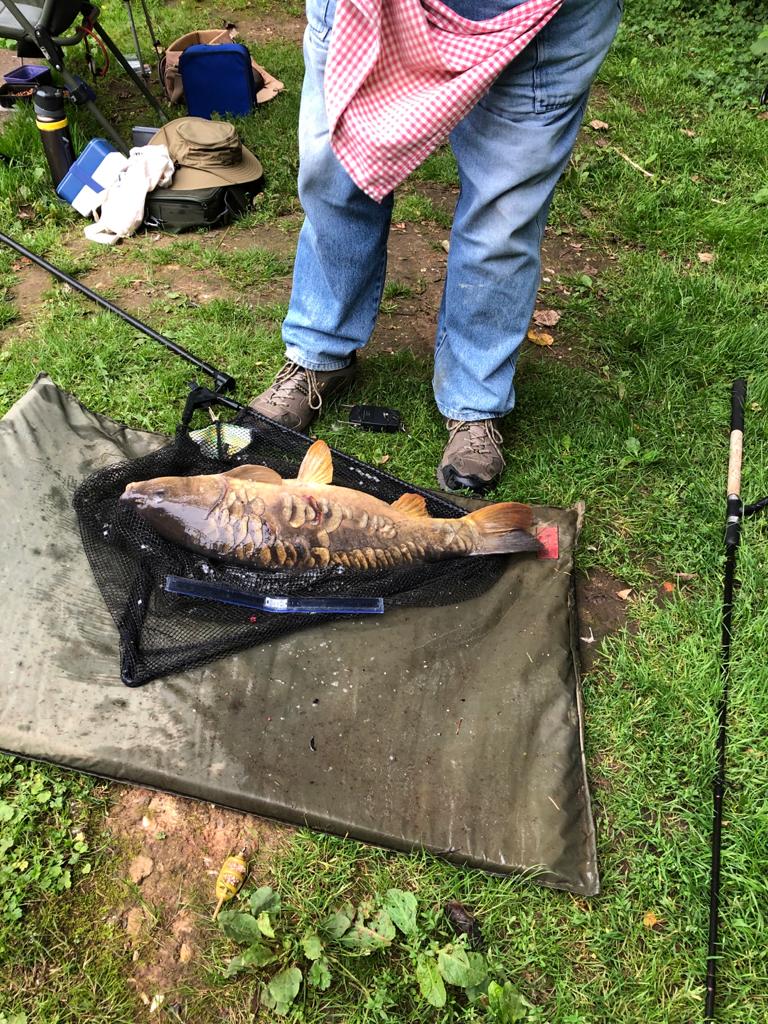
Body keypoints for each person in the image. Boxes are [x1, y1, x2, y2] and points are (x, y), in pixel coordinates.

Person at [250, 0, 623, 492]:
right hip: (369, 9)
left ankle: (475, 400)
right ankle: (319, 354)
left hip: (538, 15)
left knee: (503, 221)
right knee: (334, 178)